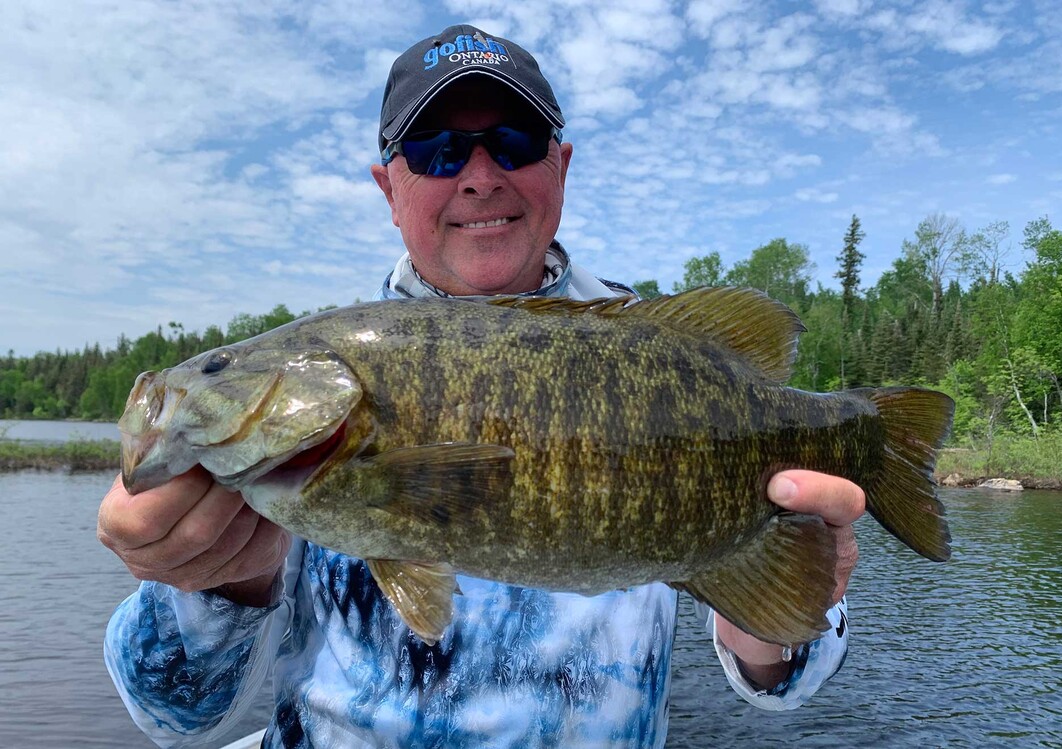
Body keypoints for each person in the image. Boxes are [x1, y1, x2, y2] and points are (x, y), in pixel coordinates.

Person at [99, 24, 865, 749]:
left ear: (560, 166)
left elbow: (780, 684)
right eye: (436, 151)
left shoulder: (657, 348)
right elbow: (171, 712)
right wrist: (219, 581)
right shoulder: (306, 409)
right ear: (387, 187)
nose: (479, 176)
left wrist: (776, 614)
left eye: (513, 142)